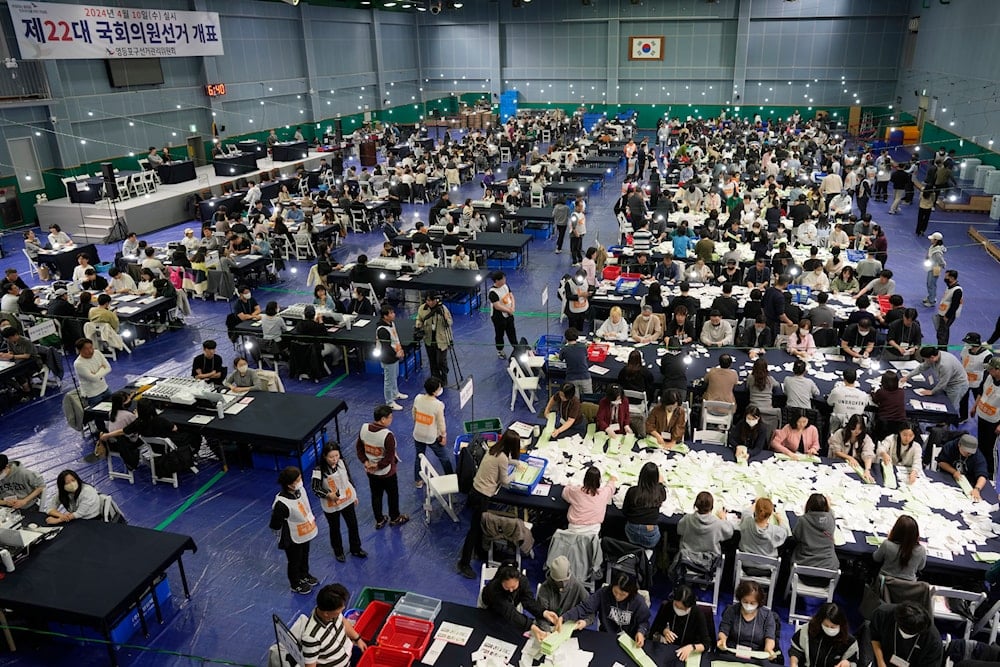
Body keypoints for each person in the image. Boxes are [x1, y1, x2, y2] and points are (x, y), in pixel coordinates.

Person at [457, 430, 522, 579]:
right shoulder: (503, 458)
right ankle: (464, 563)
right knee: (474, 529)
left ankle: (480, 551)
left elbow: (502, 461)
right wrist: (514, 475)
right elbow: (505, 481)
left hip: (475, 490)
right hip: (483, 495)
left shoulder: (493, 449)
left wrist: (514, 463)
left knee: (480, 525)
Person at [355, 404, 408, 531]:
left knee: (376, 495)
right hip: (387, 473)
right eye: (390, 417)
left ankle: (379, 519)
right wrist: (378, 465)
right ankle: (394, 517)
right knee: (392, 495)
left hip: (370, 472)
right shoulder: (388, 436)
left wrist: (366, 462)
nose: (392, 419)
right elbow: (389, 458)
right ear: (383, 419)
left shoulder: (364, 429)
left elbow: (359, 448)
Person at [311, 443, 367, 563]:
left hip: (347, 500)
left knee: (353, 525)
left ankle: (356, 548)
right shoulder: (319, 470)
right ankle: (338, 551)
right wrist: (328, 495)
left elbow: (348, 479)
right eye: (331, 457)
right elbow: (315, 488)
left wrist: (353, 495)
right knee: (334, 528)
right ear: (325, 457)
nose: (335, 459)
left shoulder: (342, 463)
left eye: (336, 455)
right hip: (331, 504)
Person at [268, 466, 319, 595]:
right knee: (294, 560)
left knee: (305, 555)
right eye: (298, 480)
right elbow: (275, 524)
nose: (301, 481)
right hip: (291, 536)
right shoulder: (281, 503)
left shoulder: (299, 491)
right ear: (290, 485)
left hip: (304, 532)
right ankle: (295, 583)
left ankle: (304, 574)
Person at [562, 573, 650, 647]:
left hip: (628, 640)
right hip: (605, 635)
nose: (617, 597)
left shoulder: (638, 601)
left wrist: (641, 632)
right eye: (615, 592)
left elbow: (644, 622)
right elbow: (585, 607)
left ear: (630, 593)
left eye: (622, 594)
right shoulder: (604, 593)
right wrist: (564, 618)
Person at [481, 563, 561, 642]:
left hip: (510, 605)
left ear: (518, 580)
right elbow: (509, 612)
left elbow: (528, 601)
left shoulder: (523, 581)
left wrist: (543, 612)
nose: (511, 590)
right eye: (507, 587)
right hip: (489, 606)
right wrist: (531, 626)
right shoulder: (494, 589)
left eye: (513, 587)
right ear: (501, 582)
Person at [298, 583, 367, 666]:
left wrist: (358, 639)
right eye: (340, 610)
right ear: (326, 613)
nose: (343, 608)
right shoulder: (311, 638)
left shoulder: (332, 613)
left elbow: (344, 622)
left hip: (348, 659)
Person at [650, 585, 712, 661]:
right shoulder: (668, 606)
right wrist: (664, 631)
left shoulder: (697, 613)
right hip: (671, 649)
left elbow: (706, 644)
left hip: (690, 652)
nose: (678, 609)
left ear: (689, 607)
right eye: (676, 605)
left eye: (681, 608)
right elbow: (656, 626)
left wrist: (691, 647)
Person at [870, 602, 943, 667]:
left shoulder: (933, 640)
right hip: (881, 658)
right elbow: (874, 638)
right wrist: (880, 662)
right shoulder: (883, 614)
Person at [411, 376, 454, 487]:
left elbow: (414, 414)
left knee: (419, 457)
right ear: (435, 391)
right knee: (444, 458)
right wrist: (443, 436)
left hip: (418, 434)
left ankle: (418, 481)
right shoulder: (438, 405)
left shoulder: (418, 398)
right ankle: (450, 478)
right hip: (431, 437)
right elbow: (441, 423)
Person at [717, 581, 777, 659]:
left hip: (756, 655)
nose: (748, 605)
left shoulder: (767, 615)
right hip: (732, 652)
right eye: (745, 602)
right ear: (740, 598)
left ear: (759, 602)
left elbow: (770, 637)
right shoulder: (731, 610)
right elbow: (724, 629)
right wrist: (722, 640)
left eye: (752, 603)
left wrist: (768, 649)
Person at [789, 603, 859, 667]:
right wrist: (794, 663)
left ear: (841, 625)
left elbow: (854, 662)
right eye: (826, 625)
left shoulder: (849, 642)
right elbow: (796, 650)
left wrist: (848, 664)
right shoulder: (808, 630)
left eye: (833, 627)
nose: (829, 629)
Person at [902, 345, 969, 411]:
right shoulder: (934, 357)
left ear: (932, 357)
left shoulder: (945, 364)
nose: (925, 361)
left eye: (925, 359)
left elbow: (943, 382)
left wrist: (932, 392)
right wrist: (907, 377)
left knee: (951, 407)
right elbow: (921, 367)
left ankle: (948, 421)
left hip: (957, 385)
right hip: (947, 382)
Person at [677, 491, 733, 568]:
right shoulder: (718, 523)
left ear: (695, 505)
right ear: (712, 507)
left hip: (688, 558)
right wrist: (724, 519)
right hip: (709, 562)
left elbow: (679, 530)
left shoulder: (687, 519)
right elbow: (729, 533)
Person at [622, 461, 666, 549]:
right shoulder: (659, 492)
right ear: (656, 478)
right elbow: (663, 497)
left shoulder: (632, 491)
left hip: (631, 530)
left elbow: (625, 511)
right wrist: (660, 484)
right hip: (649, 532)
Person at [792, 493, 839, 575]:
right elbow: (830, 512)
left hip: (803, 570)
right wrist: (827, 504)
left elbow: (796, 537)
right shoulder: (831, 518)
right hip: (828, 572)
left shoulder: (803, 520)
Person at [537, 556, 588, 629]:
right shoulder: (545, 588)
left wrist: (585, 622)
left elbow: (590, 610)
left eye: (565, 581)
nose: (563, 584)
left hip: (571, 629)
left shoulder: (577, 587)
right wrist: (547, 630)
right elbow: (540, 614)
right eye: (559, 582)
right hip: (550, 628)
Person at [561, 465, 615, 532]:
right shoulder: (604, 493)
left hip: (574, 529)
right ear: (599, 481)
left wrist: (571, 485)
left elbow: (565, 492)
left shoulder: (576, 491)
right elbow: (610, 488)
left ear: (584, 479)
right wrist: (612, 480)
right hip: (593, 531)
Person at [936, 434, 988, 501]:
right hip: (947, 476)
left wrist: (977, 488)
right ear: (959, 445)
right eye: (967, 452)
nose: (969, 454)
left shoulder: (978, 456)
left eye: (971, 453)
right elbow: (941, 462)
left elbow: (982, 475)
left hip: (968, 481)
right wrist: (954, 471)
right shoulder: (950, 447)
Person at [873, 514, 926, 581]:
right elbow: (920, 567)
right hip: (908, 588)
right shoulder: (921, 550)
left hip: (885, 585)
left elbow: (876, 558)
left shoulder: (887, 545)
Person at [415, 293, 453, 383]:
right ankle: (435, 379)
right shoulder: (422, 308)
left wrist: (444, 316)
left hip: (442, 339)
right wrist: (418, 324)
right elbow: (419, 318)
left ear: (436, 300)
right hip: (429, 338)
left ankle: (444, 377)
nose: (430, 302)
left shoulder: (443, 308)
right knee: (432, 361)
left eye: (432, 300)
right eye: (428, 300)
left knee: (441, 361)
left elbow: (450, 322)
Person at [375, 306, 406, 411]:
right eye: (391, 313)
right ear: (385, 316)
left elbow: (395, 339)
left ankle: (395, 393)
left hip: (395, 355)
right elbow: (386, 347)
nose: (394, 314)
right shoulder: (382, 330)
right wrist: (396, 354)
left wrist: (400, 350)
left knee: (394, 376)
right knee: (388, 380)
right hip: (388, 358)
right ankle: (389, 402)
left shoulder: (391, 324)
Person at [738, 497, 788, 562]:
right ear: (770, 515)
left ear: (755, 511)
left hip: (745, 562)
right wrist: (780, 520)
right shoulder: (775, 531)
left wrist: (756, 503)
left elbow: (746, 512)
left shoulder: (747, 522)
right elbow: (784, 532)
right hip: (767, 565)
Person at [974, 357, 1000, 479]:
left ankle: (990, 473)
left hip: (994, 422)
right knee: (981, 444)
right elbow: (981, 391)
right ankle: (980, 468)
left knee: (991, 449)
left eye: (991, 369)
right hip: (982, 415)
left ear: (998, 370)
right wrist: (974, 406)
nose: (988, 371)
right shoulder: (987, 375)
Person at [828, 414, 875, 481]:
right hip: (838, 463)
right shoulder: (840, 433)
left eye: (859, 429)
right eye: (854, 428)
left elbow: (868, 454)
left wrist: (867, 470)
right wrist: (850, 458)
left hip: (856, 466)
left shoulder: (865, 438)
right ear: (850, 426)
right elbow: (836, 451)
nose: (856, 431)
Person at [960, 332, 993, 423]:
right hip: (965, 380)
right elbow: (962, 360)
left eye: (968, 342)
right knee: (962, 399)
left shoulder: (987, 355)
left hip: (978, 383)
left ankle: (981, 418)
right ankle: (963, 416)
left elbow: (988, 372)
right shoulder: (965, 350)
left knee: (980, 402)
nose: (966, 344)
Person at [73, 338, 112, 407]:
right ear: (79, 350)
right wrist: (102, 368)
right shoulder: (78, 364)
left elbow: (109, 368)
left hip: (105, 388)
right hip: (93, 395)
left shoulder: (97, 353)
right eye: (86, 349)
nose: (90, 351)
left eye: (91, 347)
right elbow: (94, 379)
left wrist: (97, 374)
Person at [871, 371, 907, 441]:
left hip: (884, 425)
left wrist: (872, 392)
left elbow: (875, 400)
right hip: (899, 424)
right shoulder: (901, 392)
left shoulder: (881, 392)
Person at [489, 271, 517, 359]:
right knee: (499, 334)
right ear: (497, 281)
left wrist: (512, 307)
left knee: (512, 332)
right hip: (499, 317)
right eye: (503, 279)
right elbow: (497, 306)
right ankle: (500, 351)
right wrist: (508, 310)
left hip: (509, 314)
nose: (505, 280)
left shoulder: (505, 286)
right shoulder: (492, 293)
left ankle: (516, 348)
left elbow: (511, 296)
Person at [558, 328, 592, 398]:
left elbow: (560, 358)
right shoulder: (583, 346)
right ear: (577, 337)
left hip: (571, 378)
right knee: (589, 399)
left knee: (574, 401)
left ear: (566, 338)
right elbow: (586, 356)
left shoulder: (564, 349)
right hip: (585, 377)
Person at [933, 269, 963, 346]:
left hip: (947, 315)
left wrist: (947, 316)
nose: (945, 278)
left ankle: (942, 349)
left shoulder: (957, 290)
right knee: (943, 332)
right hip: (943, 313)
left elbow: (955, 305)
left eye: (947, 277)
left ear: (952, 278)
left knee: (942, 333)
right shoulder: (949, 287)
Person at [923, 232, 947, 308]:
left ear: (936, 240)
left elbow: (941, 261)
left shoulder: (937, 252)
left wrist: (941, 266)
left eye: (932, 239)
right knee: (929, 283)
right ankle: (930, 296)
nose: (931, 240)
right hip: (931, 267)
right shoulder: (933, 246)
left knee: (931, 284)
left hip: (935, 269)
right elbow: (929, 252)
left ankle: (932, 301)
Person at [569, 201, 587, 265]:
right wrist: (576, 233)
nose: (581, 207)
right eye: (580, 206)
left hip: (580, 234)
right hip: (575, 235)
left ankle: (580, 260)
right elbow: (573, 226)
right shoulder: (574, 215)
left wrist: (583, 232)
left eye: (582, 206)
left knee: (579, 248)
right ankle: (574, 261)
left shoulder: (581, 214)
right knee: (574, 249)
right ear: (576, 207)